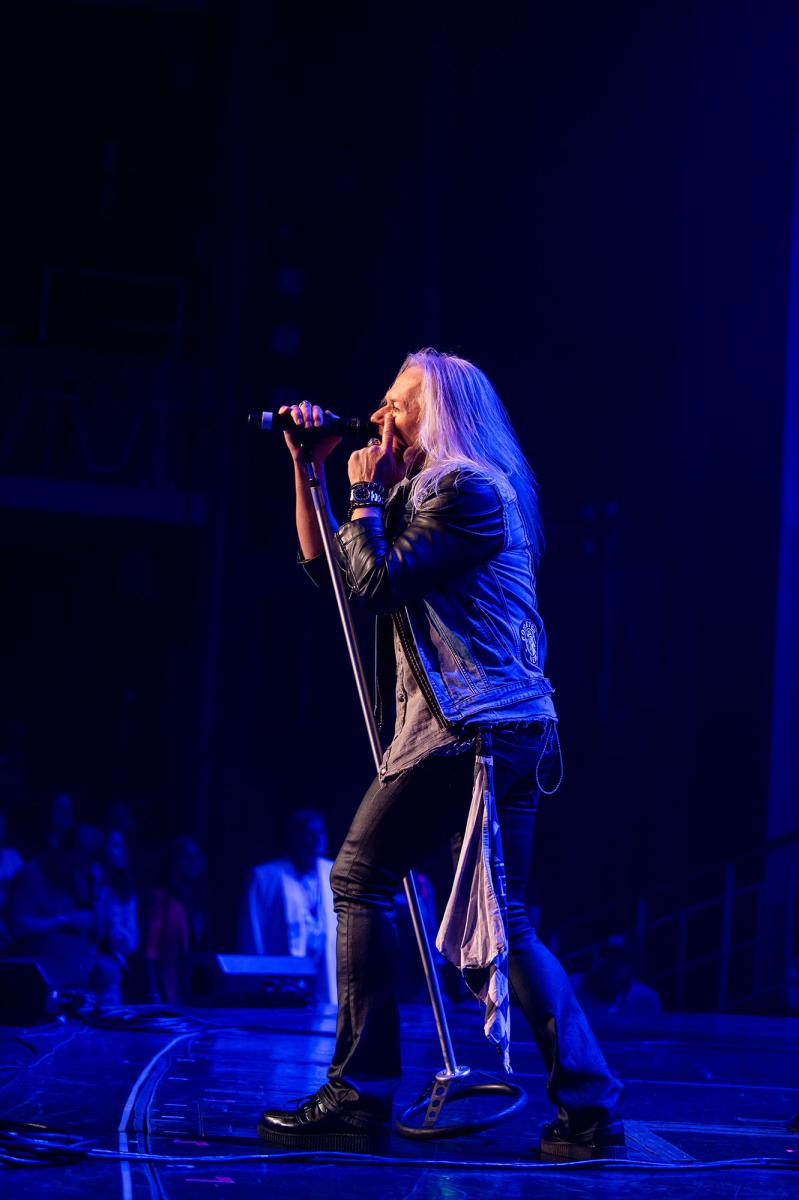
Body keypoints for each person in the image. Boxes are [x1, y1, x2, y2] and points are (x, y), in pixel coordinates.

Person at [258, 349, 624, 1158]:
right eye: (381, 401)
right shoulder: (424, 495)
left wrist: (360, 492)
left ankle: (358, 1094)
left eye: (399, 402)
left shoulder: (465, 491)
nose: (379, 416)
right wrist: (308, 471)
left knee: (359, 880)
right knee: (506, 923)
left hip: (474, 729)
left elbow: (376, 584)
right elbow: (330, 572)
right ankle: (590, 1107)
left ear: (443, 412)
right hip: (491, 731)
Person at [238, 809, 336, 1004]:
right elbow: (252, 936)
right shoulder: (265, 878)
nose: (316, 839)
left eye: (320, 832)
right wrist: (256, 985)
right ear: (293, 838)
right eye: (309, 833)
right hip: (282, 983)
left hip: (327, 978)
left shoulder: (334, 873)